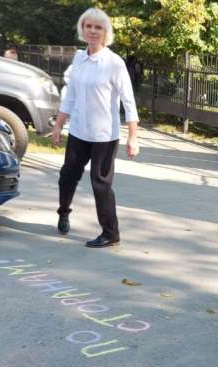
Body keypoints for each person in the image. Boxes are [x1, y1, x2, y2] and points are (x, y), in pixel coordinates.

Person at [51, 7, 139, 248]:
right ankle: (63, 212)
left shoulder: (114, 63)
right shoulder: (79, 58)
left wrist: (133, 137)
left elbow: (128, 101)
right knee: (67, 176)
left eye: (98, 27)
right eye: (88, 26)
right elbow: (70, 95)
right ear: (82, 28)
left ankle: (111, 233)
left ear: (105, 32)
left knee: (100, 184)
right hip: (79, 131)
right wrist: (59, 124)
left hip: (104, 135)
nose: (92, 30)